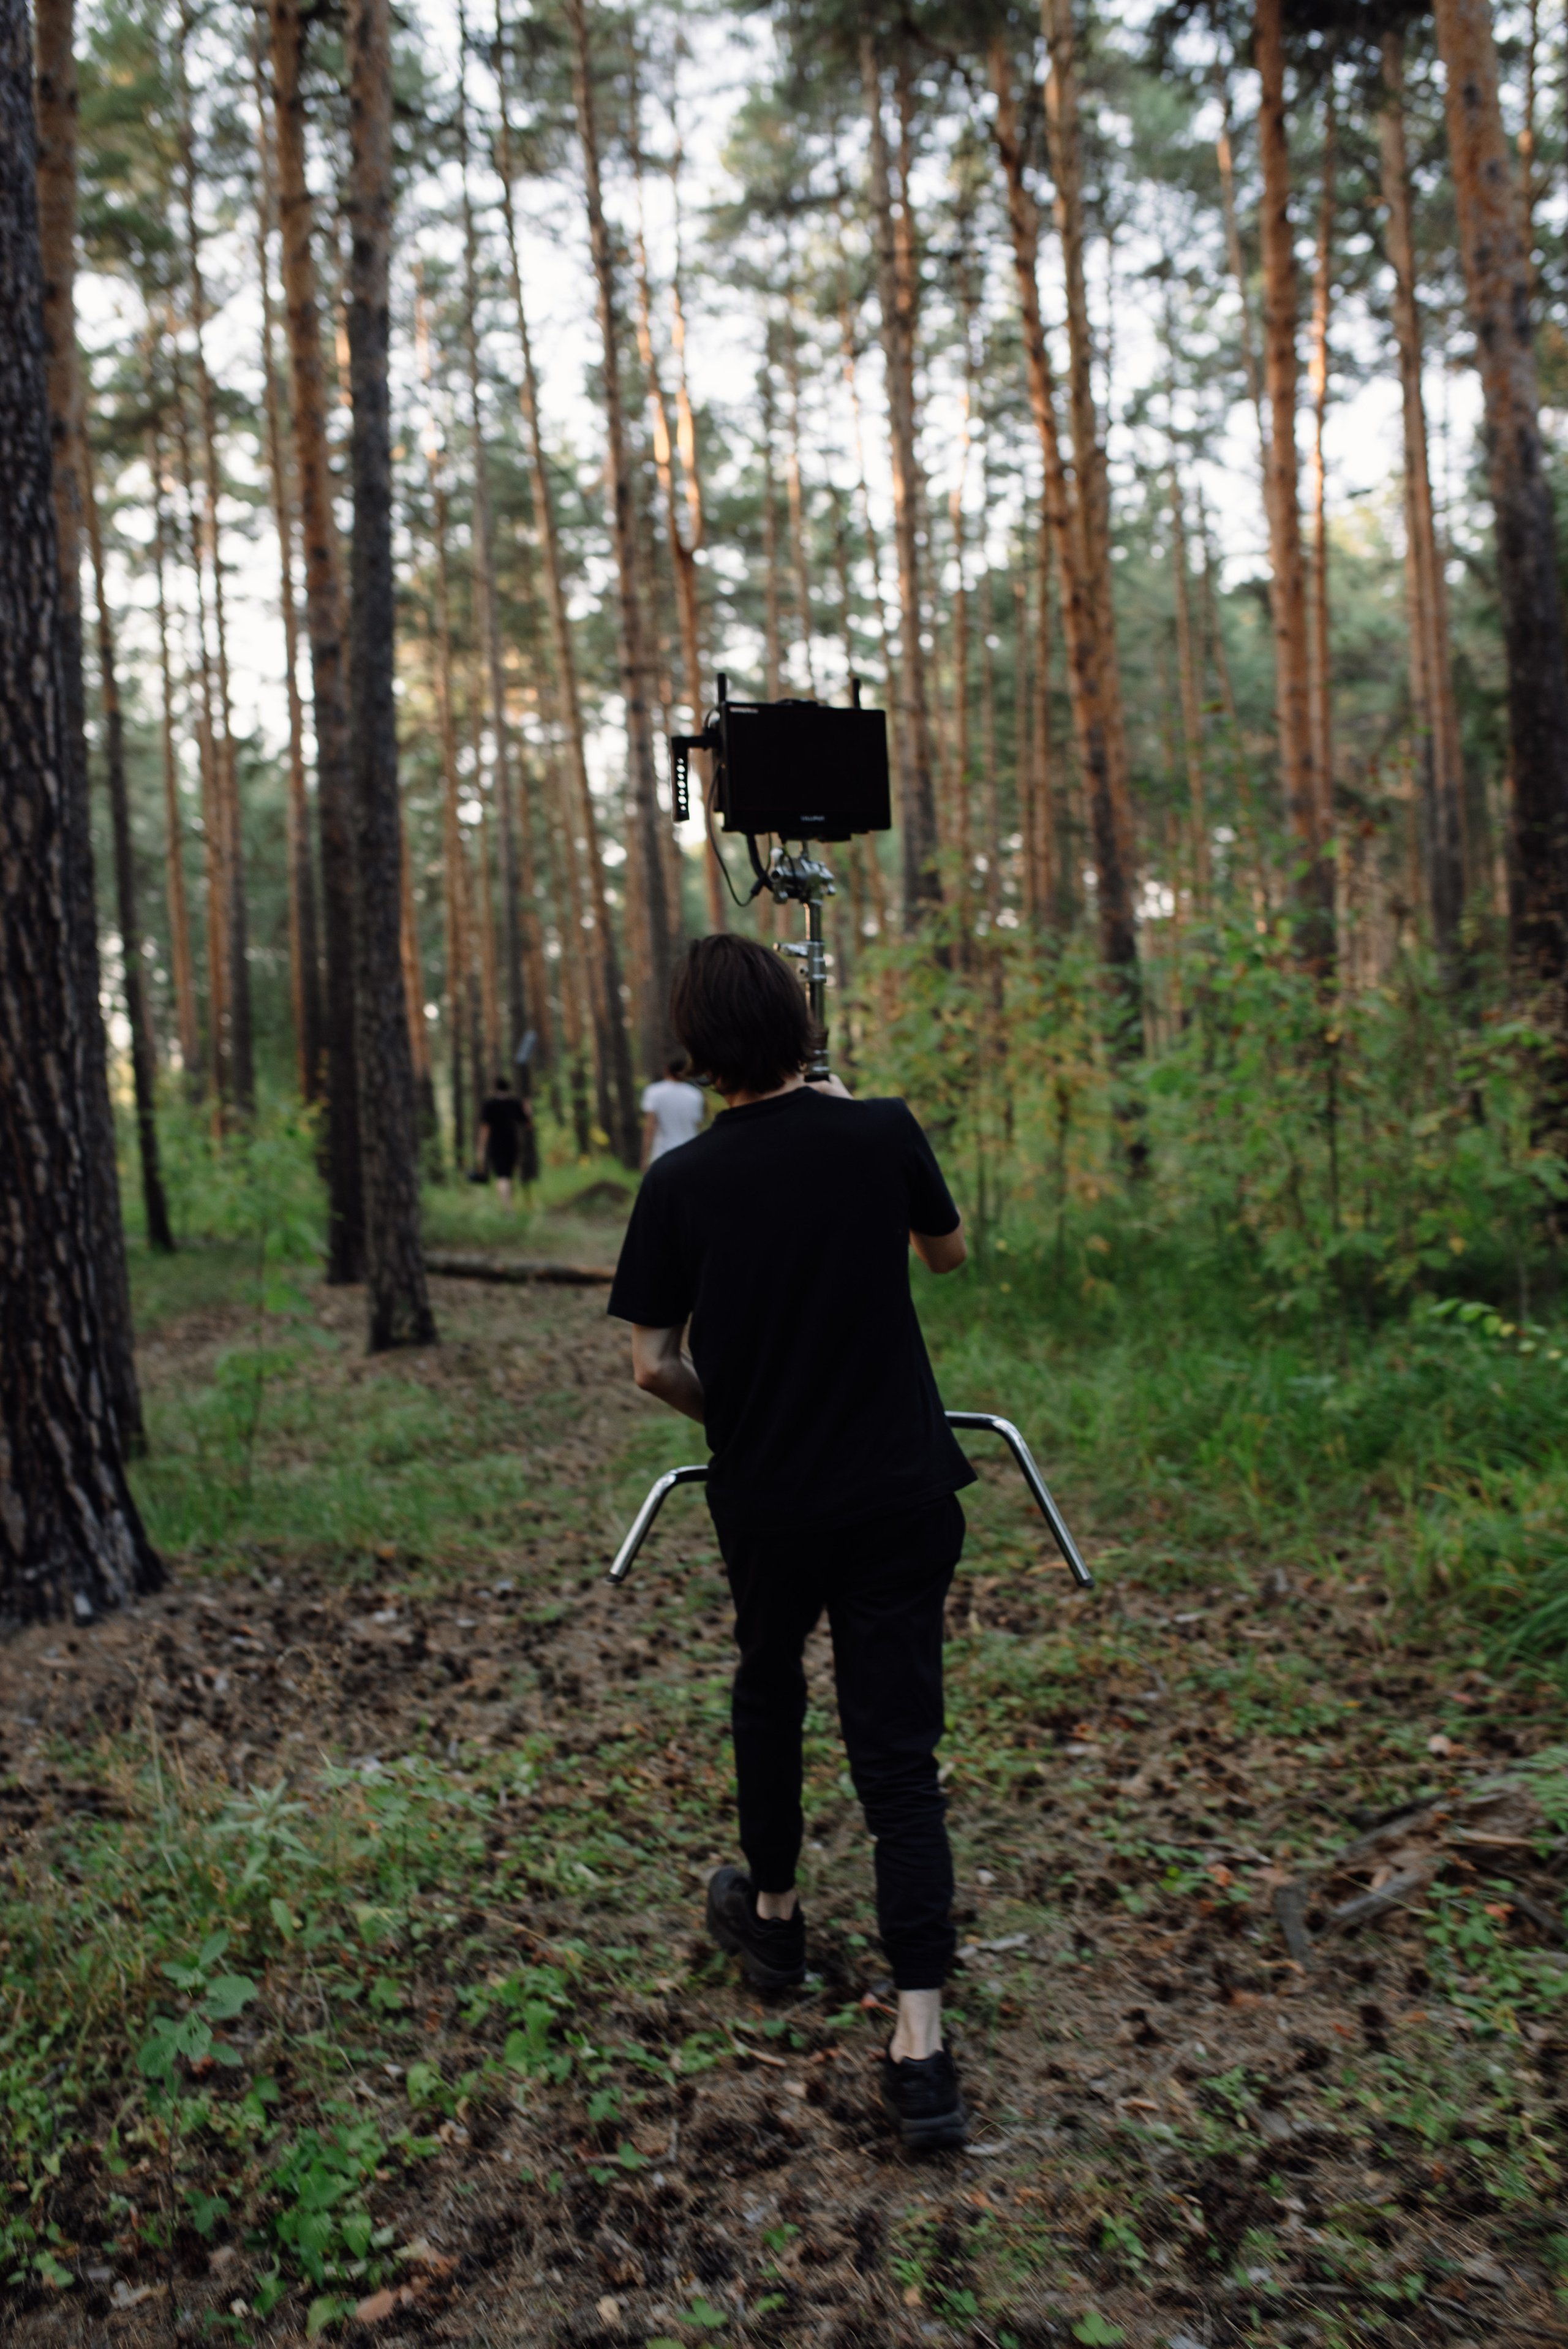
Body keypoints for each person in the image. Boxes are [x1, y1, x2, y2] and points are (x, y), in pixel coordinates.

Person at [607, 934, 973, 2151]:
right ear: (800, 1025)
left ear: (698, 1052)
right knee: (898, 1754)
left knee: (768, 1689)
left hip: (767, 1499)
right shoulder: (882, 1132)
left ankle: (772, 1919)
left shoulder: (680, 1183)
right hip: (900, 1495)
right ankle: (920, 2048)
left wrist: (749, 1407)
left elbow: (654, 1363)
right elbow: (947, 1253)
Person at [477, 1074, 532, 1210]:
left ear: (495, 1089)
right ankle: (509, 1206)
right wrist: (528, 1108)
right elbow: (528, 1124)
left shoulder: (489, 1105)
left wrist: (481, 1149)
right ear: (508, 1088)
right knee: (509, 1175)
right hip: (512, 1143)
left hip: (496, 1144)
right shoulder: (514, 1104)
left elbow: (485, 1129)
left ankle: (508, 1209)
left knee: (502, 1176)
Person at [641, 1054, 706, 1168]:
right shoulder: (695, 1095)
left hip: (663, 1155)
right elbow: (697, 1126)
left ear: (667, 1069)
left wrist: (645, 1158)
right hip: (689, 1155)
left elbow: (650, 1127)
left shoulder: (654, 1092)